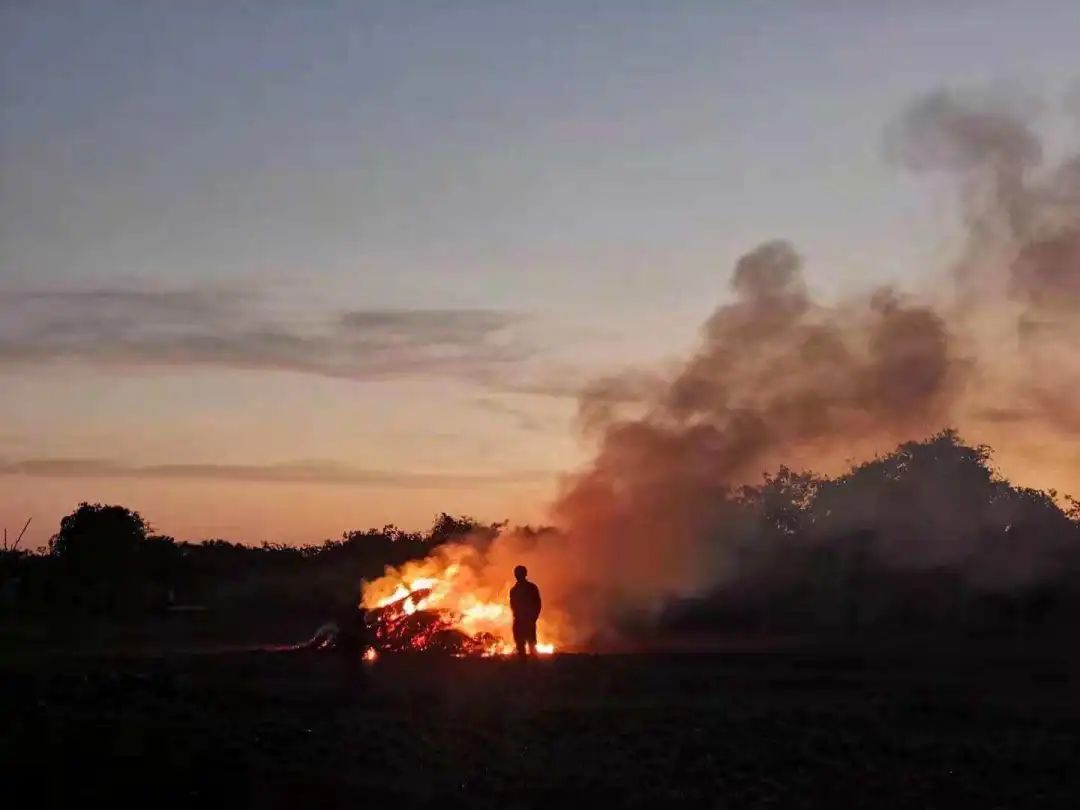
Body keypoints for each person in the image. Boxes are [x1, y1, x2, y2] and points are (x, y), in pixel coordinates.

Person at [509, 565, 541, 658]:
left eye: (519, 573)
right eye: (517, 573)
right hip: (520, 621)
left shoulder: (530, 588)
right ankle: (525, 669)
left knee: (531, 646)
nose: (518, 575)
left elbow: (537, 604)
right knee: (521, 647)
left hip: (527, 621)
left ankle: (534, 669)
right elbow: (513, 605)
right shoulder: (514, 590)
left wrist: (533, 618)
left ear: (525, 574)